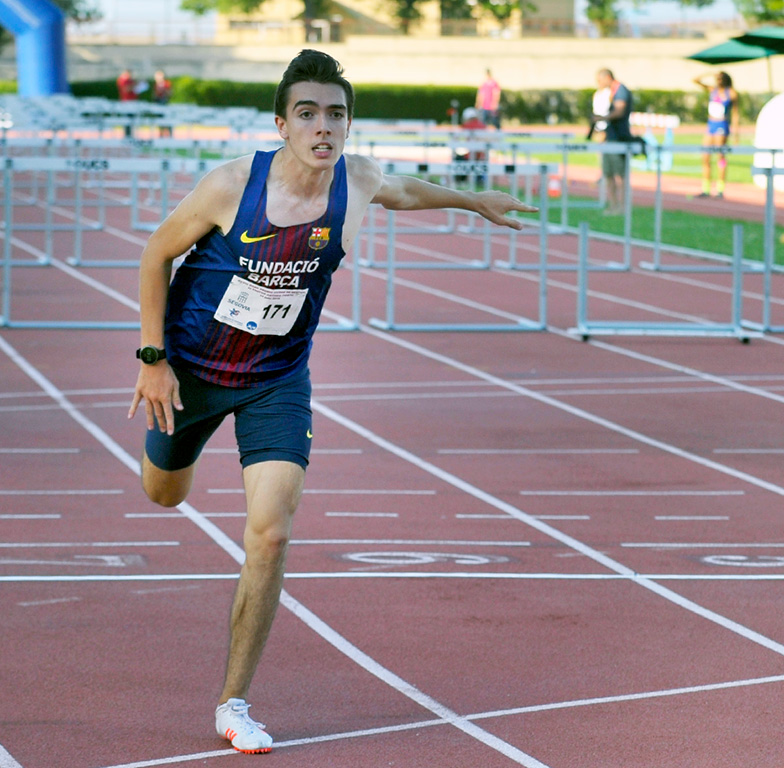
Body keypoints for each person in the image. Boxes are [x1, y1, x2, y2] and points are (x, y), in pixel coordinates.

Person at [126, 49, 535, 755]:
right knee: (164, 494)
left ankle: (233, 702)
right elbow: (156, 253)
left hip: (277, 379)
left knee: (272, 533)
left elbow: (404, 191)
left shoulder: (357, 181)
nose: (324, 127)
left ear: (349, 124)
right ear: (282, 123)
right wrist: (153, 360)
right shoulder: (230, 186)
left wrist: (475, 199)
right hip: (190, 372)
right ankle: (180, 453)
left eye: (337, 114)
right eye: (309, 114)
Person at [590, 68, 632, 216]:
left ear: (607, 77)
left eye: (600, 80)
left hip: (619, 139)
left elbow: (619, 111)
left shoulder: (620, 90)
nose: (598, 84)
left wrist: (601, 118)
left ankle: (623, 206)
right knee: (608, 174)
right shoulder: (609, 92)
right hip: (608, 138)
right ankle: (613, 205)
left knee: (621, 175)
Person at [693, 71, 739, 199]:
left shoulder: (731, 93)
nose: (718, 80)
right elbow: (695, 80)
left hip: (721, 126)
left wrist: (736, 133)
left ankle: (720, 189)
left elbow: (735, 114)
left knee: (720, 157)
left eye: (720, 78)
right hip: (710, 126)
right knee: (705, 157)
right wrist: (710, 73)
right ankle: (706, 188)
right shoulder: (712, 90)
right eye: (717, 78)